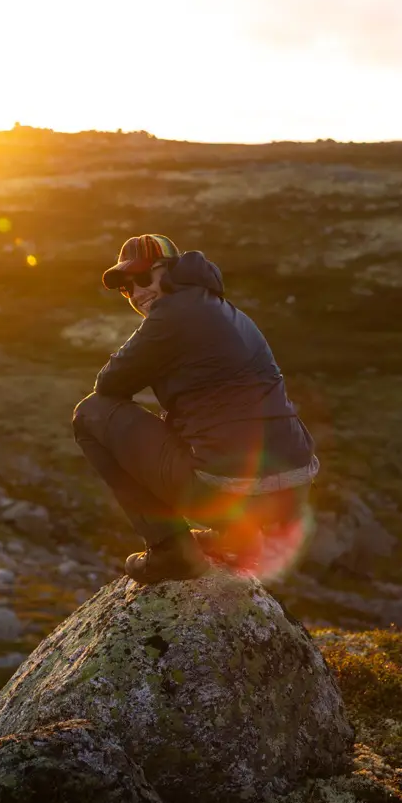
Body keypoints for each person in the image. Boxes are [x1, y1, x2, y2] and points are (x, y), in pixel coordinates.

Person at [72, 233, 319, 585]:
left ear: (171, 270)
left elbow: (108, 385)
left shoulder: (173, 315)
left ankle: (170, 550)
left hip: (230, 490)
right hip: (292, 490)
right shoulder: (223, 309)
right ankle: (236, 539)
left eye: (143, 277)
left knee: (90, 414)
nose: (137, 293)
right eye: (126, 289)